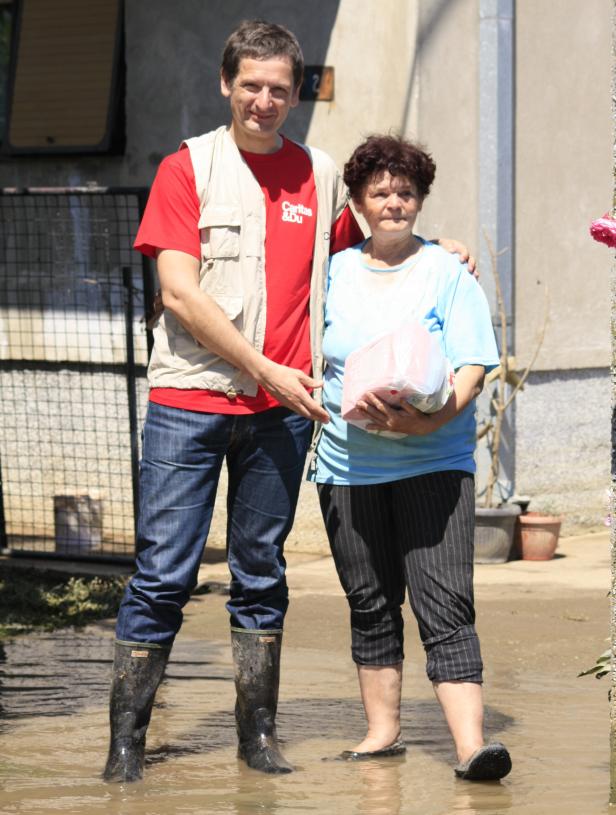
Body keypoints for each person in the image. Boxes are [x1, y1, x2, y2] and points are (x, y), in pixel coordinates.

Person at [103, 20, 474, 783]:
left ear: (296, 93)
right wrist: (266, 368)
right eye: (251, 86)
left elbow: (375, 253)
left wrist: (444, 253)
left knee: (262, 569)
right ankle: (126, 744)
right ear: (225, 84)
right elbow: (178, 291)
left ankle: (258, 738)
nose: (265, 101)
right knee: (165, 571)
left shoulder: (321, 174)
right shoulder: (189, 168)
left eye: (279, 88)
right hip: (193, 399)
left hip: (280, 415)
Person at [311, 135, 512, 782]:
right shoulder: (332, 272)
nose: (394, 203)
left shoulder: (447, 271)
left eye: (405, 192)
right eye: (380, 192)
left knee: (445, 601)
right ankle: (381, 732)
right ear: (359, 201)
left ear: (421, 198)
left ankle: (470, 746)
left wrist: (431, 416)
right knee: (370, 601)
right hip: (348, 465)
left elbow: (475, 363)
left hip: (433, 461)